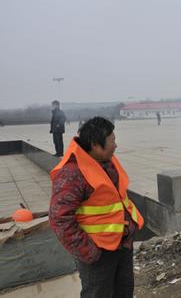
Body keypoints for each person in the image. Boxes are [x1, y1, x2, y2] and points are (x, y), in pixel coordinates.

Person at [49, 117, 144, 298]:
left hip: (122, 246)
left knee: (124, 292)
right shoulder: (72, 173)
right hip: (98, 253)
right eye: (112, 141)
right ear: (94, 145)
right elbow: (59, 218)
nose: (115, 145)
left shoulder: (107, 162)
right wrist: (89, 252)